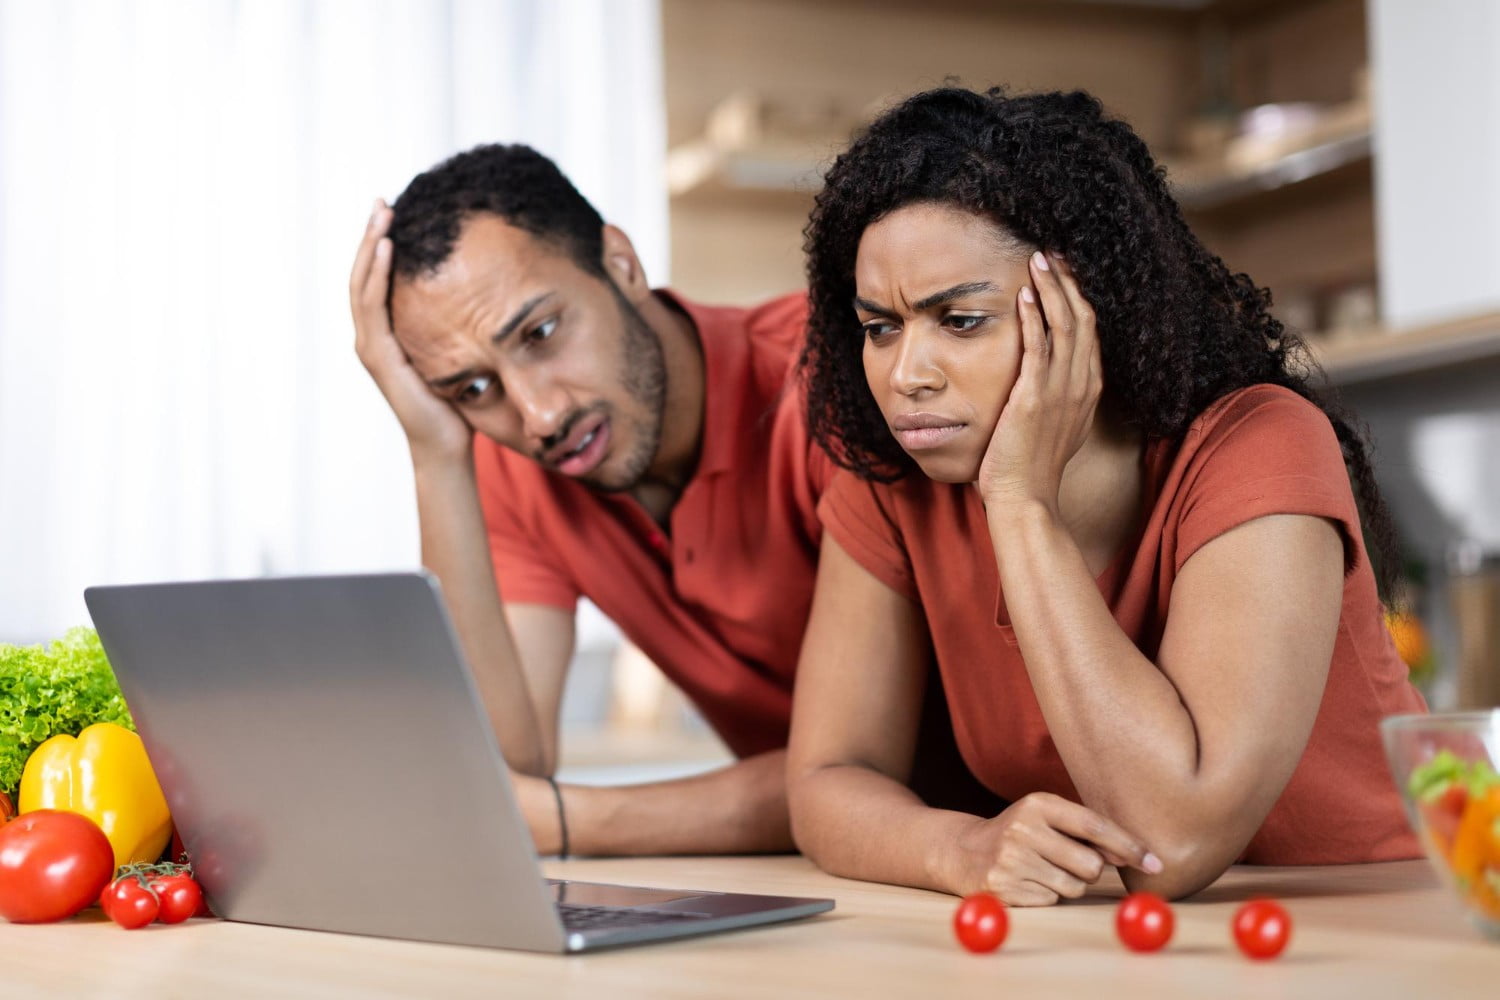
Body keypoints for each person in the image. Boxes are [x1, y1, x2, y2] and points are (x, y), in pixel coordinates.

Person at [787, 86, 1425, 904]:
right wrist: (961, 849)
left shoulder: (1260, 443)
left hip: (1389, 919)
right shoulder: (897, 480)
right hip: (1123, 946)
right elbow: (828, 776)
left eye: (961, 320)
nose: (907, 374)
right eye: (881, 327)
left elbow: (1173, 840)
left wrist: (1019, 503)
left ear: (1083, 307)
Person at [348, 143, 994, 858]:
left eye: (540, 334)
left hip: (1007, 858)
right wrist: (435, 452)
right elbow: (498, 771)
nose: (537, 415)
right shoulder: (520, 465)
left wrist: (573, 823)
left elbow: (876, 773)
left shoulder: (839, 380)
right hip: (834, 882)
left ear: (621, 264)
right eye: (472, 388)